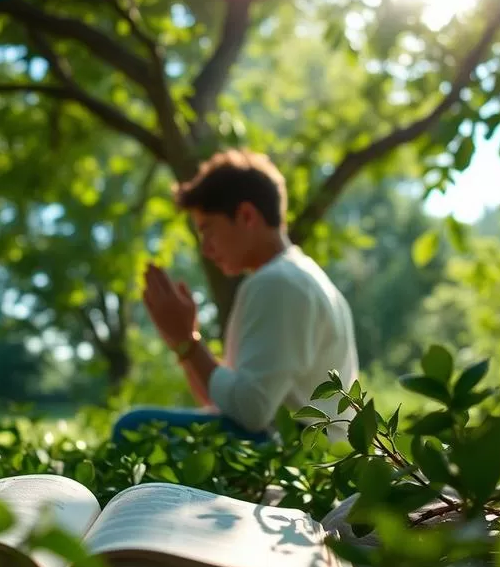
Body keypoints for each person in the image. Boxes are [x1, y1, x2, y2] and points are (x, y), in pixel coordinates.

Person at [111, 149, 359, 445]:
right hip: (316, 451)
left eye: (208, 230)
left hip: (305, 457)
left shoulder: (277, 282)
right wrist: (182, 344)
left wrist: (189, 344)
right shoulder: (297, 275)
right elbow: (225, 403)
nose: (205, 249)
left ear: (246, 216)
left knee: (133, 428)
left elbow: (251, 411)